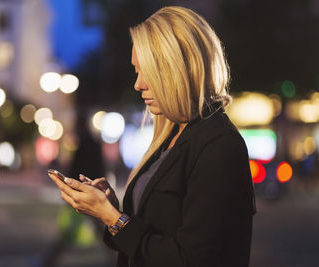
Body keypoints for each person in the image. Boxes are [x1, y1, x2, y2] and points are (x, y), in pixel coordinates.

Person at [49, 6, 256, 267]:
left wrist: (113, 218)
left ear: (178, 68)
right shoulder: (172, 136)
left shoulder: (218, 145)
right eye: (136, 71)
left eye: (145, 70)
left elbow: (190, 259)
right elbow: (153, 234)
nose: (138, 84)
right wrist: (112, 210)